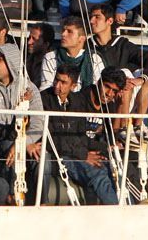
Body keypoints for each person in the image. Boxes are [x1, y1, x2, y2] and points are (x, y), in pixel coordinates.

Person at [37, 64, 118, 205]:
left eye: (63, 82)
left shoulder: (76, 102)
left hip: (75, 153)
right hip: (58, 157)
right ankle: (119, 211)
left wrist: (107, 147)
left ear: (73, 86)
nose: (57, 85)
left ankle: (127, 206)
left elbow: (81, 135)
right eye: (56, 80)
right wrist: (82, 155)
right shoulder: (44, 100)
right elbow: (52, 139)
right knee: (97, 172)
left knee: (111, 167)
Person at [0, 43, 44, 181]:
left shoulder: (29, 88)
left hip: (25, 139)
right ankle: (10, 198)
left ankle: (42, 202)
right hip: (0, 139)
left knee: (44, 158)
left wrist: (23, 142)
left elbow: (39, 123)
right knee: (12, 152)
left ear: (11, 61)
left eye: (0, 59)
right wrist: (20, 108)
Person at [39, 17, 106, 91]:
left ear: (82, 38)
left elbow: (97, 89)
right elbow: (46, 89)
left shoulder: (94, 59)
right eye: (63, 30)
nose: (63, 34)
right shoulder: (51, 57)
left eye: (69, 31)